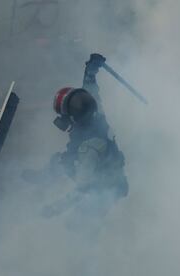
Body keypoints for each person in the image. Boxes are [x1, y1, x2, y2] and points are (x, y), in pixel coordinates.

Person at [38, 54, 129, 229]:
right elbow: (91, 90)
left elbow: (82, 188)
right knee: (61, 159)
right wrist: (90, 72)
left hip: (106, 190)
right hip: (111, 177)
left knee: (77, 227)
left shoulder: (89, 148)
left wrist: (53, 209)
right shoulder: (96, 115)